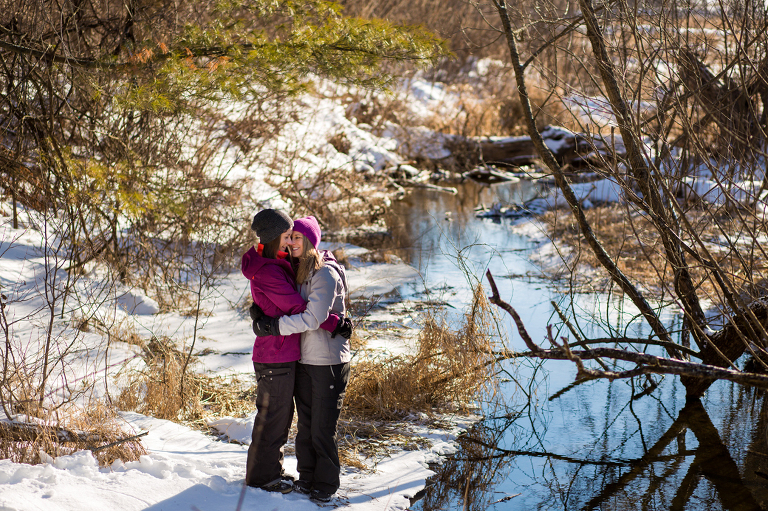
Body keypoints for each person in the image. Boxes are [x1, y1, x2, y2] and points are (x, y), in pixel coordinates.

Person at [241, 209, 345, 494]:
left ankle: (271, 472)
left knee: (281, 418)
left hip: (286, 353)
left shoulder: (279, 263)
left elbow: (302, 299)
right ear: (275, 237)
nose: (290, 242)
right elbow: (299, 308)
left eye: (295, 236)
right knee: (274, 418)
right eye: (287, 236)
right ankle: (262, 477)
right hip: (276, 353)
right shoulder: (270, 269)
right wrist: (334, 321)